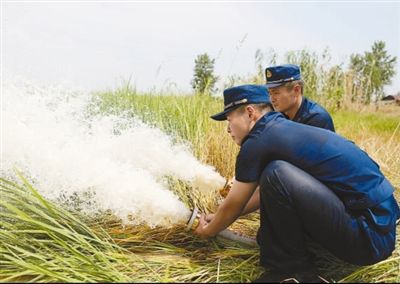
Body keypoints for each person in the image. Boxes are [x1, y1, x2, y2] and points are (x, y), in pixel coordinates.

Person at [195, 84, 399, 283]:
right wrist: (218, 217)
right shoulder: (281, 129)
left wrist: (208, 231)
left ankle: (291, 272)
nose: (228, 130)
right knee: (274, 178)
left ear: (250, 113)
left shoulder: (258, 140)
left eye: (229, 120)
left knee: (275, 173)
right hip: (380, 229)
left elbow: (236, 202)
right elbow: (263, 193)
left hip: (367, 239)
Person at [265, 64, 335, 132]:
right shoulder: (278, 116)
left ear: (296, 90)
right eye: (270, 93)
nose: (272, 99)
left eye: (276, 93)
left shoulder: (317, 120)